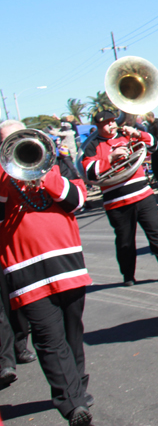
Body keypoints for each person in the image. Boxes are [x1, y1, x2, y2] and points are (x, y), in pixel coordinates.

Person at [0, 120, 94, 426]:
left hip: (66, 264)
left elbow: (78, 201)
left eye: (20, 139)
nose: (18, 145)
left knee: (72, 334)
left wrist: (47, 176)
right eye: (8, 142)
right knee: (48, 339)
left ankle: (77, 387)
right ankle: (71, 404)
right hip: (25, 271)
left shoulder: (56, 163)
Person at [80, 110, 158, 286]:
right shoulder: (92, 145)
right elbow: (88, 171)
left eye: (112, 121)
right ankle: (128, 276)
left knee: (156, 233)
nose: (111, 125)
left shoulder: (126, 135)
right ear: (97, 126)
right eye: (106, 123)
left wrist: (138, 133)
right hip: (116, 201)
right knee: (125, 241)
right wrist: (110, 158)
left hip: (142, 193)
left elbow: (153, 145)